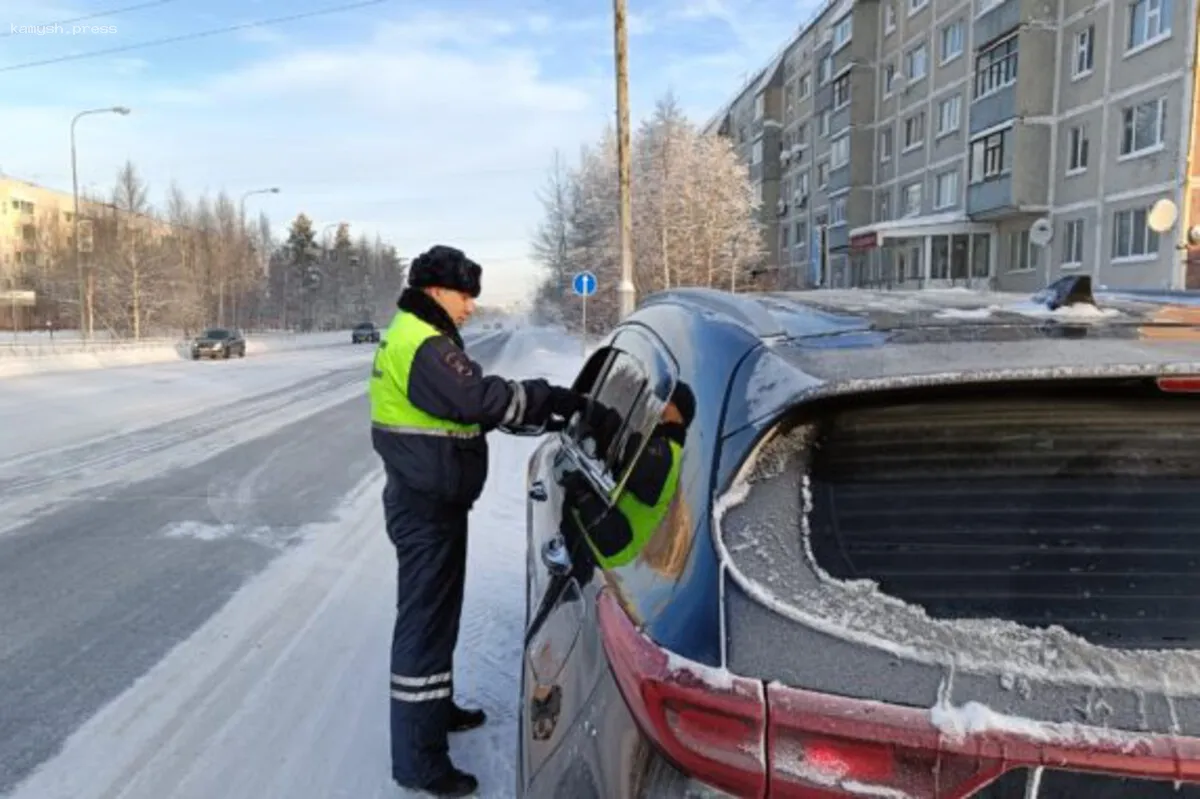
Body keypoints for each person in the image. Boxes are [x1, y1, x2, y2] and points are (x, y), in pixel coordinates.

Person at [369, 244, 586, 797]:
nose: (470, 306)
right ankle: (419, 761)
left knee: (438, 617)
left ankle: (434, 713)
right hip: (426, 507)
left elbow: (455, 413)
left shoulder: (417, 336)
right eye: (465, 295)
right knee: (422, 627)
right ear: (435, 291)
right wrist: (546, 397)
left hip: (431, 499)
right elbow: (476, 399)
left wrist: (524, 413)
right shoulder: (422, 344)